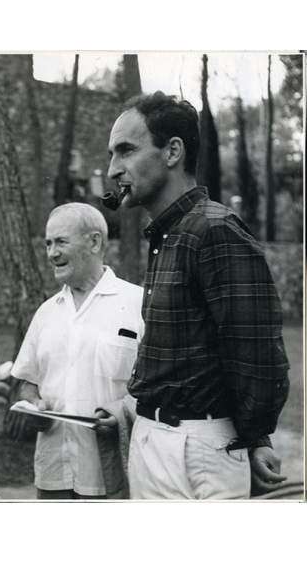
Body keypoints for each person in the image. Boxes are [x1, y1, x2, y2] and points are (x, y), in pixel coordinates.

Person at [107, 91, 290, 499]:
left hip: (201, 448)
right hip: (153, 440)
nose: (113, 170)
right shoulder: (167, 234)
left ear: (173, 151)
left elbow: (257, 354)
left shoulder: (215, 230)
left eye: (126, 151)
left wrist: (256, 436)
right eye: (112, 155)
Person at [11, 203, 144, 499]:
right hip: (52, 477)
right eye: (47, 243)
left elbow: (158, 387)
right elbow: (27, 385)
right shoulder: (46, 313)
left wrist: (122, 415)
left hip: (113, 479)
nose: (51, 253)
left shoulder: (137, 305)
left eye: (60, 242)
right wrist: (34, 407)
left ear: (94, 242)